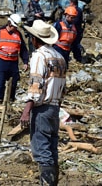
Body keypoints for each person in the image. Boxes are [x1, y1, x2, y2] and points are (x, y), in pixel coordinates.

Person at [20, 20, 67, 186]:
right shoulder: (59, 57)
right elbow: (63, 88)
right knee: (52, 149)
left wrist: (27, 110)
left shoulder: (39, 56)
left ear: (35, 39)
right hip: (54, 108)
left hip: (41, 108)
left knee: (42, 150)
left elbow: (36, 84)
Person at [0, 14, 29, 103]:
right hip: (2, 61)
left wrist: (25, 62)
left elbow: (23, 49)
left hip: (13, 62)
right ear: (10, 24)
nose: (16, 28)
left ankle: (10, 100)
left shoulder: (18, 34)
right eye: (15, 26)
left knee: (14, 82)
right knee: (0, 81)